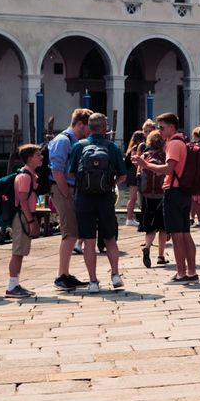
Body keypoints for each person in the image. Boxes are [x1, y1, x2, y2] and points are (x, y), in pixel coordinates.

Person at [136, 112, 199, 284]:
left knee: (177, 235)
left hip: (174, 191)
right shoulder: (184, 141)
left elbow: (168, 169)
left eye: (162, 127)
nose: (160, 131)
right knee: (186, 233)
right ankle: (192, 271)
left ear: (172, 127)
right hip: (184, 192)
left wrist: (145, 165)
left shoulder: (173, 143)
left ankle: (181, 273)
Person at [69, 112, 127, 293]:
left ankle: (93, 282)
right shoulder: (112, 148)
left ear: (89, 127)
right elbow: (123, 174)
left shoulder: (79, 146)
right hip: (105, 198)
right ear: (104, 128)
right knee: (109, 238)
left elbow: (71, 173)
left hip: (84, 198)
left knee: (88, 240)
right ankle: (115, 275)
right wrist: (111, 184)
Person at [48, 108, 92, 291]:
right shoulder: (63, 141)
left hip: (69, 189)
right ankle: (61, 275)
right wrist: (67, 194)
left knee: (72, 232)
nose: (90, 132)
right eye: (88, 128)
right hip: (62, 189)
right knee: (70, 232)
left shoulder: (73, 141)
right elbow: (57, 170)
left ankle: (65, 273)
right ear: (80, 125)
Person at [4, 144, 43, 298]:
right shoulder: (25, 176)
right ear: (29, 158)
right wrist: (31, 221)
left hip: (23, 216)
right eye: (37, 154)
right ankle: (11, 286)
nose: (41, 157)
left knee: (20, 251)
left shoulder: (28, 174)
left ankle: (15, 284)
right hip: (22, 217)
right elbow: (22, 200)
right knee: (18, 251)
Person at [137, 130, 169, 268]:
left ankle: (148, 246)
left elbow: (138, 175)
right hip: (162, 195)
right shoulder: (165, 156)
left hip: (147, 195)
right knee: (162, 227)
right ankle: (161, 256)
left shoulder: (144, 156)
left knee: (150, 226)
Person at [123, 130, 145, 227]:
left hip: (131, 174)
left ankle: (130, 218)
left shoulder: (131, 147)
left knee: (133, 197)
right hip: (133, 174)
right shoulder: (136, 148)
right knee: (133, 198)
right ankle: (129, 218)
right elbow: (134, 161)